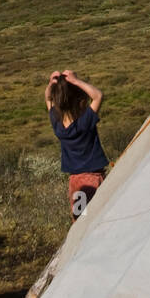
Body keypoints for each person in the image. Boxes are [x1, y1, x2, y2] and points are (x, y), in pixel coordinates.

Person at [45, 69, 108, 220]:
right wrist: (75, 81)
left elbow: (48, 99)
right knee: (97, 220)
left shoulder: (57, 123)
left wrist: (51, 83)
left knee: (81, 221)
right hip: (93, 178)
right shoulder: (85, 121)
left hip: (76, 182)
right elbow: (98, 96)